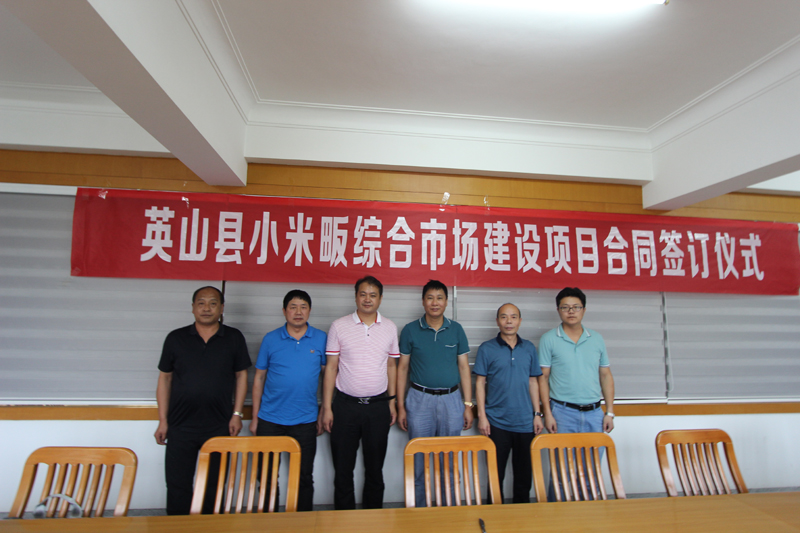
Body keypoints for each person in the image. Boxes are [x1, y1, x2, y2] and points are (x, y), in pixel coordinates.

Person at [154, 286, 251, 515]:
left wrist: (237, 414)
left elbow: (241, 376)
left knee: (214, 487)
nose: (207, 308)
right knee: (177, 486)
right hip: (180, 425)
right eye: (201, 303)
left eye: (213, 303)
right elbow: (165, 379)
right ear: (193, 308)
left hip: (219, 424)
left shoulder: (234, 338)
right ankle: (178, 528)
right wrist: (163, 421)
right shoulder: (176, 338)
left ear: (222, 308)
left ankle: (211, 528)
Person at [321, 276, 399, 510]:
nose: (367, 299)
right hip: (345, 407)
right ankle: (343, 520)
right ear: (355, 296)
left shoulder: (390, 327)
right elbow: (331, 367)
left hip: (378, 407)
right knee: (343, 469)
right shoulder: (339, 326)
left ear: (380, 299)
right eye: (363, 294)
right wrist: (327, 407)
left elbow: (392, 366)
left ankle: (373, 519)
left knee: (375, 470)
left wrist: (392, 403)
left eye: (373, 295)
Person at [397, 279, 473, 507]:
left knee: (449, 460)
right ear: (423, 301)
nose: (435, 302)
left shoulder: (456, 329)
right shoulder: (410, 330)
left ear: (447, 302)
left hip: (452, 400)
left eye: (440, 298)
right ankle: (419, 512)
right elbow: (402, 369)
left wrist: (468, 405)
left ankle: (448, 511)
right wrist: (400, 406)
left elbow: (464, 368)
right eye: (430, 298)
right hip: (419, 400)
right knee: (419, 460)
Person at [249, 289, 326, 512]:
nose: (298, 312)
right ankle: (268, 522)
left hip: (305, 419)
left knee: (303, 477)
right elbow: (259, 378)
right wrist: (255, 417)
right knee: (267, 477)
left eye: (303, 307)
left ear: (309, 311)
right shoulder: (271, 339)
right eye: (293, 307)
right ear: (284, 311)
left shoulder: (321, 338)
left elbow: (328, 377)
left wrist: (323, 411)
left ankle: (302, 523)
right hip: (270, 419)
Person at [538, 287, 615, 501]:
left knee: (591, 473)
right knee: (561, 474)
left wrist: (609, 412)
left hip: (594, 414)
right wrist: (547, 413)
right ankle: (556, 516)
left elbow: (606, 375)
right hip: (562, 413)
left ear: (584, 310)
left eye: (576, 307)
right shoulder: (548, 339)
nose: (571, 311)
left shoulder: (596, 338)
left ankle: (588, 516)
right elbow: (543, 378)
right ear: (558, 310)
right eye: (565, 307)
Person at [474, 303, 543, 504]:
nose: (509, 321)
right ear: (497, 321)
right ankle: (494, 516)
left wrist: (537, 414)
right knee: (495, 476)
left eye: (513, 317)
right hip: (496, 423)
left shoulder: (529, 348)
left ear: (520, 321)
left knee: (524, 477)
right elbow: (479, 383)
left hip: (525, 423)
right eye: (504, 317)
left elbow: (533, 382)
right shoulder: (486, 348)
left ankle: (521, 516)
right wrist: (482, 417)